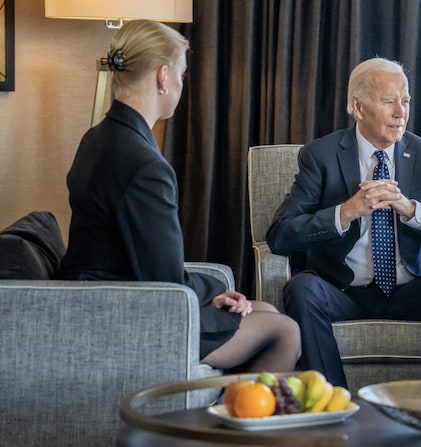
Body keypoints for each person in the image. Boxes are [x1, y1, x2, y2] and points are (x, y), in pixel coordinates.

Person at [56, 20, 300, 374]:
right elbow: (168, 283)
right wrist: (215, 287)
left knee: (267, 312)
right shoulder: (144, 165)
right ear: (163, 76)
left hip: (104, 299)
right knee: (284, 331)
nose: (182, 85)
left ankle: (234, 419)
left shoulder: (97, 138)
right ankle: (237, 426)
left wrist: (210, 292)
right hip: (129, 316)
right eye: (182, 75)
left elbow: (144, 262)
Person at [266, 57, 421, 388]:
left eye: (405, 101)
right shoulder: (321, 155)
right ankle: (332, 403)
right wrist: (347, 211)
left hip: (411, 289)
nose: (401, 112)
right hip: (343, 291)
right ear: (358, 107)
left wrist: (410, 209)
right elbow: (281, 235)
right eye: (388, 101)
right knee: (302, 288)